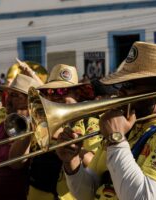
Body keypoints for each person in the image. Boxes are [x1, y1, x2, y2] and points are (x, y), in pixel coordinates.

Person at [57, 41, 156, 200]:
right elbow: (87, 193)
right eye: (121, 84)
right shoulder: (127, 129)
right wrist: (72, 163)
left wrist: (116, 139)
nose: (121, 91)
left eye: (129, 84)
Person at [9, 64, 98, 200]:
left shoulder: (90, 122)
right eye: (51, 92)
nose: (56, 96)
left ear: (77, 94)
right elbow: (15, 163)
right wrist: (28, 131)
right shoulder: (42, 121)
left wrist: (67, 143)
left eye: (63, 91)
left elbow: (94, 164)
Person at [0, 74, 42, 200]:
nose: (8, 99)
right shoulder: (2, 124)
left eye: (15, 96)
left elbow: (16, 164)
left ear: (29, 101)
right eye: (9, 94)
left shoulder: (34, 129)